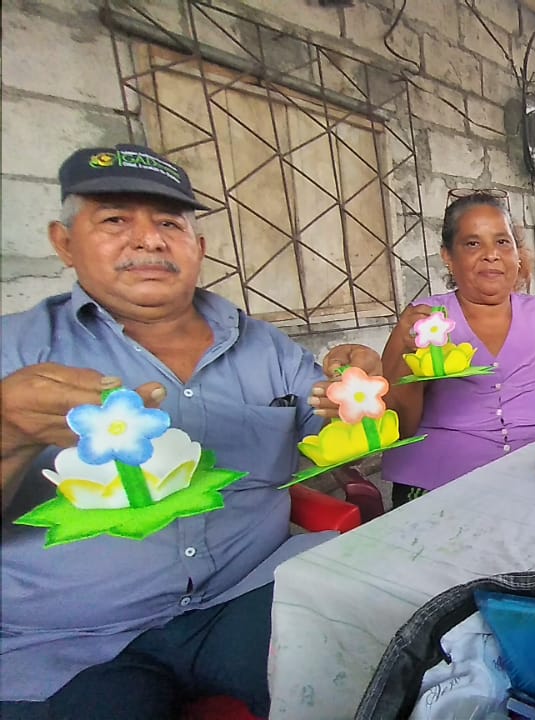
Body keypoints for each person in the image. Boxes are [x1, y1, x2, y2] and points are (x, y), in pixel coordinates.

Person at [0, 144, 380, 719]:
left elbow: (341, 429)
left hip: (251, 588)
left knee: (386, 675)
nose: (149, 240)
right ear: (64, 242)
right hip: (67, 640)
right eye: (115, 220)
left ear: (198, 247)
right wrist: (8, 433)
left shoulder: (265, 346)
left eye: (169, 223)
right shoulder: (14, 352)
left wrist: (357, 390)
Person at [379, 189, 535, 507]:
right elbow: (400, 424)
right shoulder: (423, 321)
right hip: (442, 485)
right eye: (472, 243)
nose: (491, 254)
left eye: (502, 242)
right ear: (448, 257)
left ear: (517, 254)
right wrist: (409, 354)